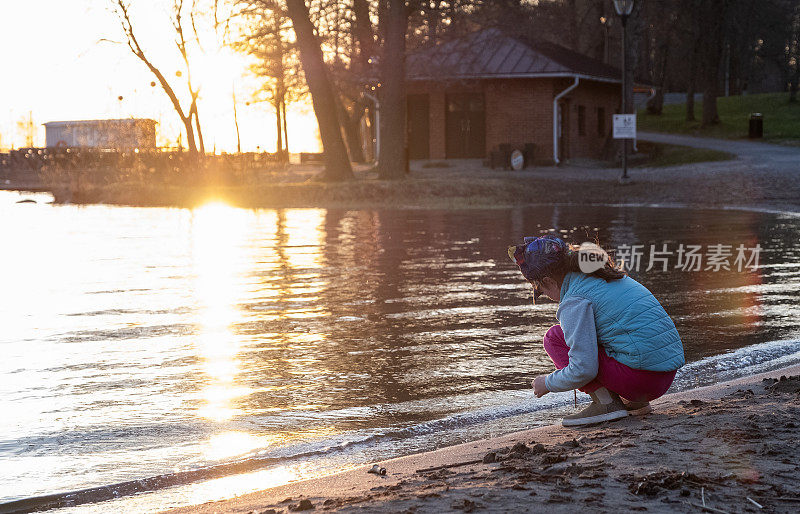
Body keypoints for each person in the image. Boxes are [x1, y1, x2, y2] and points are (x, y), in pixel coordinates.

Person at [508, 235, 685, 426]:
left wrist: (547, 383)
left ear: (548, 281)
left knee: (554, 337)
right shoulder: (604, 276)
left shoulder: (574, 300)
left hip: (641, 380)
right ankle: (635, 403)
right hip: (665, 376)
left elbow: (583, 369)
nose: (546, 296)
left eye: (540, 289)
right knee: (608, 334)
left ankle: (606, 404)